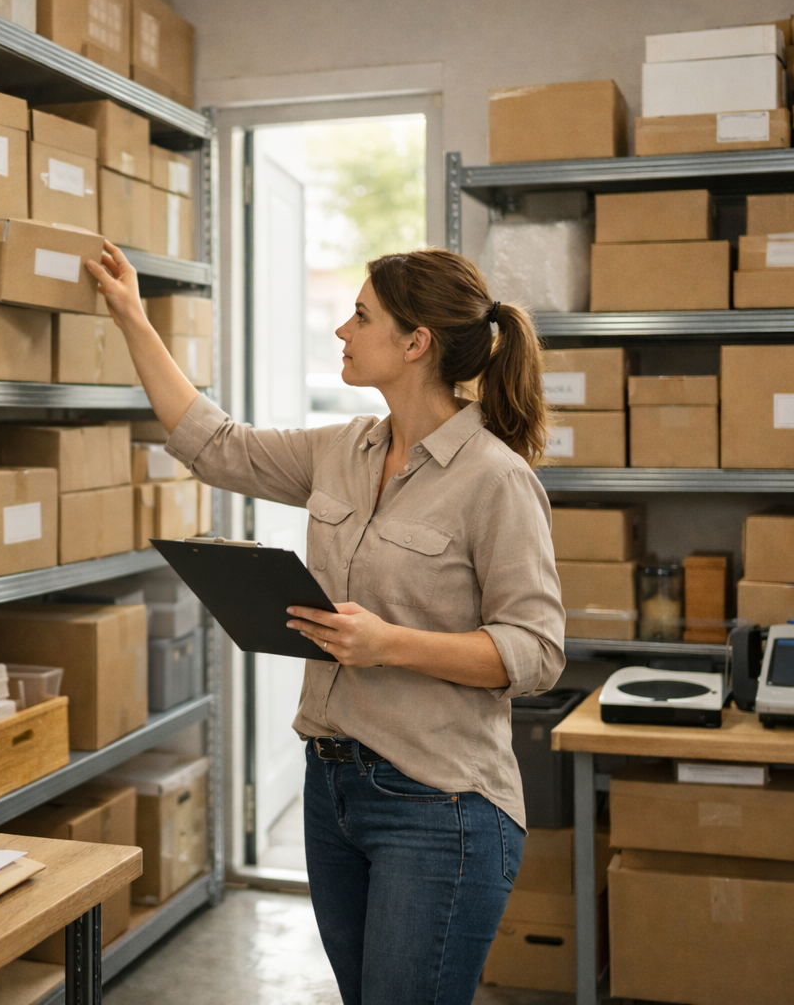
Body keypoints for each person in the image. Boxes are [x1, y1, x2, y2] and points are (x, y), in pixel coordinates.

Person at [86, 241, 566, 1005]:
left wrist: (388, 645)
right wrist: (132, 317)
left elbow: (537, 654)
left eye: (361, 316)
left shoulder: (495, 479)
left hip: (440, 805)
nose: (342, 331)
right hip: (334, 786)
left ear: (416, 344)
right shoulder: (344, 448)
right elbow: (216, 447)